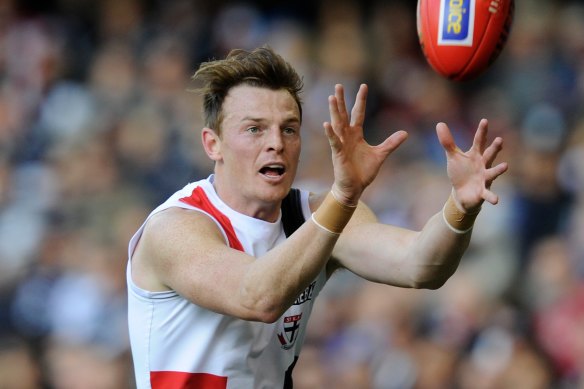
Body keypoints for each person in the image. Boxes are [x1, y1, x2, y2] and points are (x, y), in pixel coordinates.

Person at [126, 46, 508, 388]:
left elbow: (421, 266)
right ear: (213, 144)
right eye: (254, 129)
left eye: (288, 129)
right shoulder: (176, 227)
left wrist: (460, 206)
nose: (276, 142)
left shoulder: (318, 214)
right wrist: (343, 197)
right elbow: (258, 297)